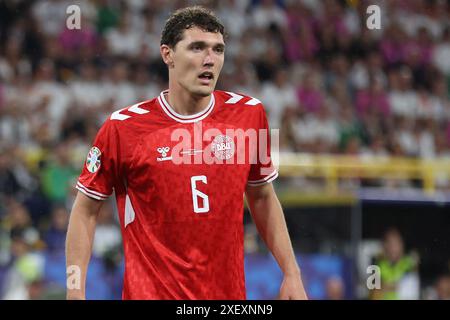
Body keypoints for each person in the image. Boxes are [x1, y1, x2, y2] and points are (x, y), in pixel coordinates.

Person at [66, 6, 307, 300]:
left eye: (218, 50)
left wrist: (292, 273)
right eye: (197, 48)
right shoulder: (123, 128)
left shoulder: (249, 115)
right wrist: (75, 290)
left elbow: (262, 196)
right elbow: (85, 210)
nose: (210, 60)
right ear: (167, 54)